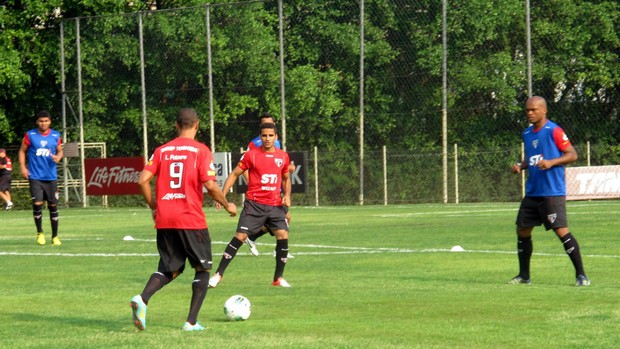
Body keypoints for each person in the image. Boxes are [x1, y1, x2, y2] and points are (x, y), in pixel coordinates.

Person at [130, 108, 237, 332]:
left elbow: (142, 181)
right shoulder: (200, 150)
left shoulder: (162, 150)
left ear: (176, 126)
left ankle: (143, 298)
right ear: (197, 125)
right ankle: (191, 322)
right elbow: (209, 185)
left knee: (171, 269)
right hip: (190, 218)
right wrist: (228, 204)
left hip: (165, 218)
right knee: (202, 269)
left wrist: (154, 207)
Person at [508, 96, 590, 287]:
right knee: (522, 230)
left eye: (534, 110)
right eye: (527, 110)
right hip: (533, 192)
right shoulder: (527, 133)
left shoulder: (554, 130)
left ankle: (581, 276)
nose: (530, 113)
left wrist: (552, 162)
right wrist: (521, 165)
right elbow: (533, 158)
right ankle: (524, 276)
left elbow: (572, 154)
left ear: (544, 110)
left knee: (561, 232)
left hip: (551, 192)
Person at [209, 122, 292, 288]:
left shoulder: (283, 156)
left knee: (283, 235)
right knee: (240, 236)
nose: (267, 139)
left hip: (275, 205)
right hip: (254, 205)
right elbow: (234, 174)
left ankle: (278, 278)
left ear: (276, 137)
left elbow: (286, 179)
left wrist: (287, 195)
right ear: (260, 138)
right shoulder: (251, 155)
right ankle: (218, 274)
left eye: (270, 135)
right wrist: (222, 195)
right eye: (264, 136)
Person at [243, 112, 294, 257]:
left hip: (274, 189)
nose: (268, 126)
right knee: (285, 217)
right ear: (260, 127)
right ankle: (280, 249)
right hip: (261, 192)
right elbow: (244, 166)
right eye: (265, 123)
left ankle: (253, 238)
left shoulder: (276, 141)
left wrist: (289, 168)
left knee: (285, 218)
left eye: (271, 123)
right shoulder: (254, 143)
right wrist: (252, 182)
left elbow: (279, 163)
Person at [18, 110, 64, 246]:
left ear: (50, 122)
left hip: (51, 177)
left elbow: (60, 150)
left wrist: (59, 156)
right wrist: (23, 167)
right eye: (41, 121)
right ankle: (40, 233)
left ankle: (55, 236)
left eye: (46, 121)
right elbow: (22, 151)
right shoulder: (30, 135)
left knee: (53, 206)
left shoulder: (56, 135)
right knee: (37, 204)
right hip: (35, 176)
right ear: (37, 122)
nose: (43, 123)